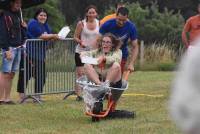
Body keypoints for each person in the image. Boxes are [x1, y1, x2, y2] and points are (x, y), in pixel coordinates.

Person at [17, 8, 59, 102]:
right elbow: (41, 36)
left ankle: (37, 96)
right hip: (29, 54)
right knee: (25, 75)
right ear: (36, 16)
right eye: (41, 15)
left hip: (40, 55)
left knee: (42, 75)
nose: (43, 17)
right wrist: (53, 36)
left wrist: (53, 37)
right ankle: (22, 96)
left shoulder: (46, 25)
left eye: (45, 15)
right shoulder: (33, 23)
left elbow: (49, 36)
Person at [99, 7, 139, 73]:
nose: (121, 22)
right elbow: (98, 41)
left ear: (127, 18)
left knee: (116, 78)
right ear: (116, 16)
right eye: (119, 19)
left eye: (124, 20)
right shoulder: (107, 24)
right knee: (104, 77)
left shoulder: (131, 27)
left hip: (121, 56)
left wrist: (131, 64)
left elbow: (135, 46)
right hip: (106, 55)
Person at [74, 5, 99, 101]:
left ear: (96, 14)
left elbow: (100, 36)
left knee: (91, 73)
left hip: (93, 53)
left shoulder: (99, 23)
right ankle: (79, 95)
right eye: (90, 13)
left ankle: (90, 93)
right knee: (80, 74)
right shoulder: (81, 23)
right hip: (80, 52)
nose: (92, 14)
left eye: (93, 12)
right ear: (86, 14)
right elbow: (75, 37)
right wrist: (80, 42)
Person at [0, 0, 23, 104]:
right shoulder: (5, 15)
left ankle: (7, 98)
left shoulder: (18, 16)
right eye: (17, 3)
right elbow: (3, 33)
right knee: (5, 73)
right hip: (9, 48)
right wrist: (6, 49)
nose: (19, 5)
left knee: (12, 74)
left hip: (17, 47)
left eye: (20, 3)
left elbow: (21, 34)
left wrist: (24, 27)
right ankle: (1, 98)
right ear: (11, 4)